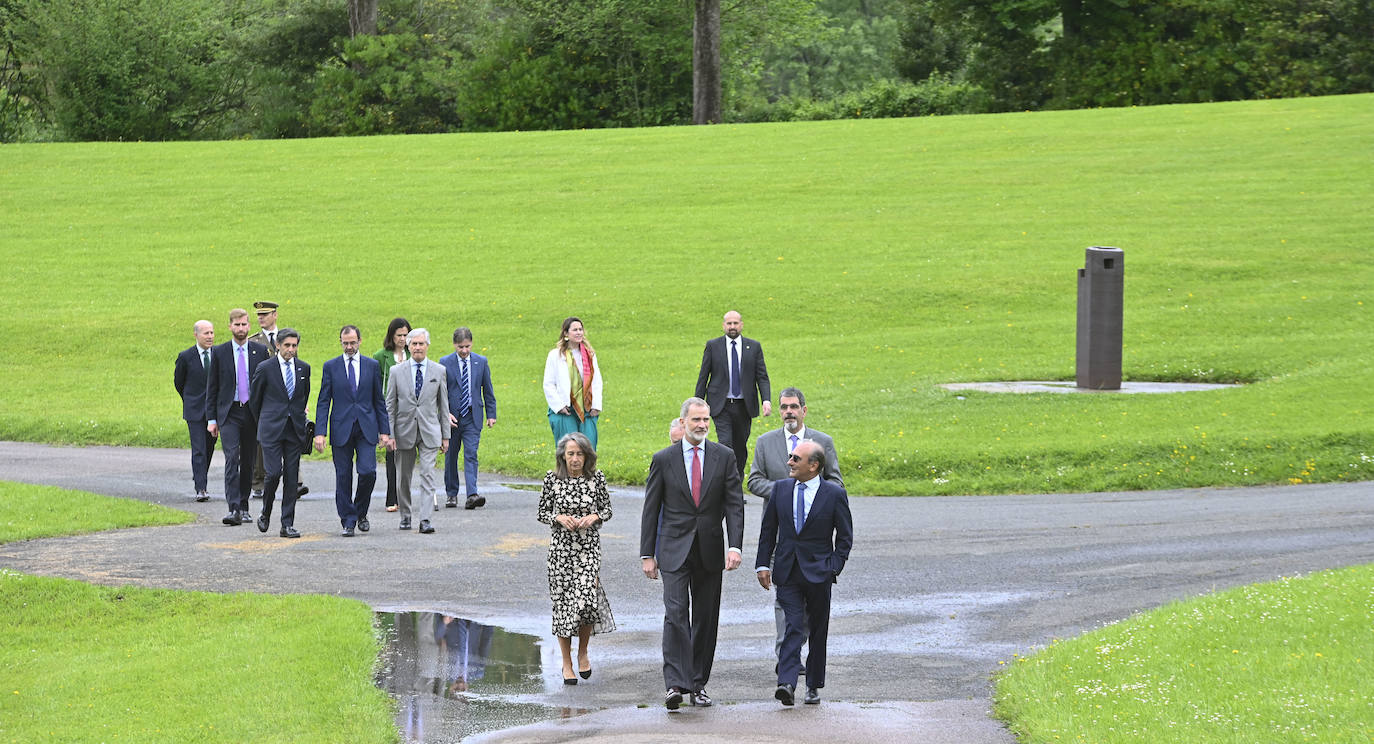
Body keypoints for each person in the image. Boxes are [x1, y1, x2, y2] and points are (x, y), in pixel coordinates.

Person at [640, 397, 745, 710]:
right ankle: (675, 683)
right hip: (672, 549)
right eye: (696, 420)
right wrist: (648, 553)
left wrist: (735, 545)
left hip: (710, 549)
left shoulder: (723, 457)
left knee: (705, 618)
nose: (702, 426)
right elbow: (651, 508)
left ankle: (698, 683)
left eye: (706, 420)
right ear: (683, 422)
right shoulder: (664, 459)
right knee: (675, 616)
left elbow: (734, 504)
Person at [747, 386, 844, 671]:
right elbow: (753, 481)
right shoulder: (766, 443)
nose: (788, 412)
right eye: (783, 407)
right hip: (781, 534)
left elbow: (836, 483)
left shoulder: (822, 441)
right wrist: (784, 491)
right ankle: (786, 658)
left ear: (803, 410)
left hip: (814, 539)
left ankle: (802, 656)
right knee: (783, 598)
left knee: (810, 605)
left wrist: (812, 492)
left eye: (793, 406)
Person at [756, 440, 852, 706]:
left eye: (796, 459)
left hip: (819, 573)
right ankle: (786, 682)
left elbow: (844, 537)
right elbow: (768, 530)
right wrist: (763, 564)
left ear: (814, 465)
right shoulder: (781, 489)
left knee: (818, 630)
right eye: (790, 457)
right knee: (793, 626)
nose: (789, 462)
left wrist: (834, 565)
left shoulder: (833, 494)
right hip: (787, 571)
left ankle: (813, 685)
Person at [538, 432, 615, 686]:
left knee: (585, 601)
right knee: (563, 607)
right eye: (570, 454)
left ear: (586, 455)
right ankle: (566, 662)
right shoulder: (552, 479)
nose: (574, 459)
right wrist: (558, 518)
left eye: (579, 454)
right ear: (563, 456)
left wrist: (595, 517)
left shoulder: (596, 479)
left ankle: (582, 652)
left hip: (588, 549)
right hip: (561, 552)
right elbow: (542, 512)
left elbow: (607, 509)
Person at [314, 325, 393, 537]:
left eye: (352, 343)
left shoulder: (371, 365)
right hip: (341, 428)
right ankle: (348, 521)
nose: (349, 347)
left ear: (360, 341)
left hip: (366, 427)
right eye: (345, 343)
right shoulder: (331, 366)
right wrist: (319, 432)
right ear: (340, 342)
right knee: (343, 476)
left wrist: (384, 431)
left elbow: (379, 400)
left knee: (368, 472)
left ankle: (360, 511)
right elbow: (323, 401)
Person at [206, 309, 269, 526]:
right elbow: (212, 388)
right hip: (229, 412)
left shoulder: (260, 351)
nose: (241, 328)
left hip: (251, 413)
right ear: (230, 327)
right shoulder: (220, 352)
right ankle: (233, 507)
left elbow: (265, 386)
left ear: (249, 326)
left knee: (249, 461)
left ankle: (244, 505)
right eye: (237, 325)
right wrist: (212, 419)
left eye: (244, 324)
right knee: (232, 458)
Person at [385, 327, 448, 534]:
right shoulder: (396, 372)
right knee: (403, 476)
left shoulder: (439, 371)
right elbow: (390, 405)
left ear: (428, 346)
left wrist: (445, 435)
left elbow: (444, 406)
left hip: (430, 431)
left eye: (421, 344)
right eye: (414, 344)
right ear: (408, 346)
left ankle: (426, 519)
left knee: (428, 475)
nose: (418, 347)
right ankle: (405, 515)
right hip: (404, 431)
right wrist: (390, 434)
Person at [249, 328, 311, 538]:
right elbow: (255, 400)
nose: (291, 350)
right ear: (278, 345)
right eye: (287, 345)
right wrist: (265, 422)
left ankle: (287, 524)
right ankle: (265, 512)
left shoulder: (304, 368)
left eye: (294, 346)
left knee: (291, 478)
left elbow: (303, 396)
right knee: (274, 473)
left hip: (294, 430)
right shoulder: (265, 368)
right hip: (271, 429)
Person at [695, 310, 771, 478]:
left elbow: (762, 376)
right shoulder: (713, 346)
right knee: (726, 445)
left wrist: (766, 400)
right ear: (723, 326)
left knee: (740, 447)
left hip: (744, 407)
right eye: (729, 323)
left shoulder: (754, 347)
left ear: (741, 325)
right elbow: (703, 376)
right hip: (720, 405)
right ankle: (724, 486)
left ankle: (736, 486)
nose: (732, 327)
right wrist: (697, 404)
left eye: (735, 323)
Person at [247, 300, 309, 499]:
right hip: (266, 400)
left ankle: (295, 482)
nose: (261, 318)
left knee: (293, 440)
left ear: (275, 315)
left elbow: (297, 369)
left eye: (265, 314)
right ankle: (259, 481)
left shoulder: (289, 338)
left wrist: (302, 403)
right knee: (262, 445)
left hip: (289, 401)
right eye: (258, 315)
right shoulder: (254, 341)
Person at [440, 327, 497, 510]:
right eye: (460, 347)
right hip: (452, 418)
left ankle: (472, 493)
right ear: (454, 345)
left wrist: (491, 414)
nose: (464, 351)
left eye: (467, 346)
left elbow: (487, 389)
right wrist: (443, 413)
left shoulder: (480, 362)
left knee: (471, 454)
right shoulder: (445, 363)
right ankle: (451, 493)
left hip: (473, 416)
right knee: (451, 456)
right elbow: (440, 392)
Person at [174, 319, 217, 502]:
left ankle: (200, 474)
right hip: (194, 410)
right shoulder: (186, 356)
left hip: (214, 410)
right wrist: (189, 400)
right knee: (198, 448)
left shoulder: (218, 354)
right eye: (206, 333)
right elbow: (179, 382)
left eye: (212, 333)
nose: (209, 337)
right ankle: (201, 488)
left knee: (209, 447)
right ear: (196, 335)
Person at [543, 316, 602, 449]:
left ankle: (588, 471)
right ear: (566, 333)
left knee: (588, 447)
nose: (579, 332)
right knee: (568, 449)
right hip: (565, 409)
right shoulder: (555, 355)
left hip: (586, 408)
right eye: (575, 330)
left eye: (580, 329)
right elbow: (549, 384)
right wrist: (559, 406)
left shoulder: (589, 355)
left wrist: (596, 405)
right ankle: (564, 471)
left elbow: (596, 381)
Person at [374, 317, 411, 513]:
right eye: (399, 335)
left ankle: (405, 495)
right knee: (391, 454)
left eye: (406, 335)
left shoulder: (413, 354)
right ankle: (391, 497)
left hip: (410, 412)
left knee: (407, 455)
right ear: (392, 335)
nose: (403, 339)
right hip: (389, 411)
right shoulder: (381, 356)